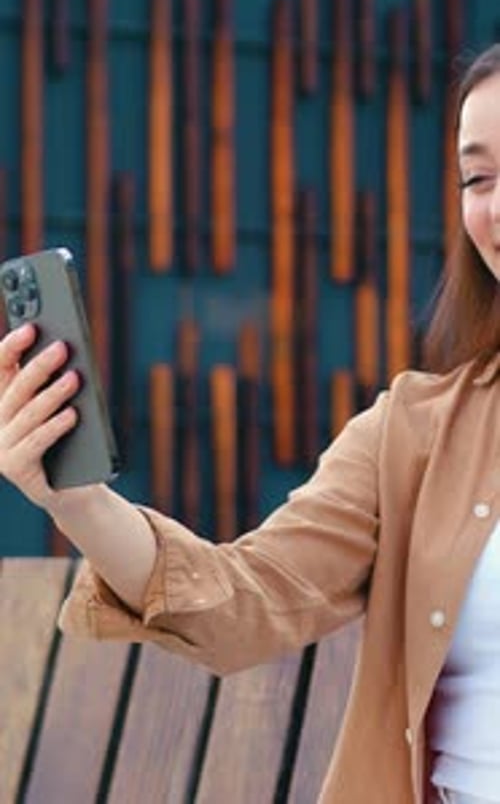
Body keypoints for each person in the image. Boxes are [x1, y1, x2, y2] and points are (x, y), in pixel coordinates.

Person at [1, 44, 500, 804]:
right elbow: (246, 601)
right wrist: (75, 498)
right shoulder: (414, 433)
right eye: (477, 178)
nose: (494, 207)